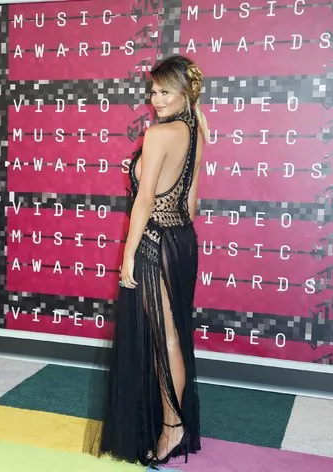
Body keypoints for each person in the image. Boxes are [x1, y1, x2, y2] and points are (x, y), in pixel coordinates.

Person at [98, 56, 209, 466]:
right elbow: (192, 201)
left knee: (165, 339)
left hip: (155, 242)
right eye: (153, 90)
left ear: (184, 92)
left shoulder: (160, 134)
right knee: (173, 336)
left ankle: (172, 428)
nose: (155, 98)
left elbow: (144, 201)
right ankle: (171, 423)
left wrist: (128, 255)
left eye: (164, 91)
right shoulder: (198, 132)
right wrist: (180, 244)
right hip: (182, 240)